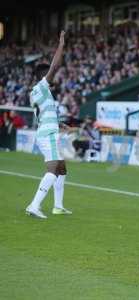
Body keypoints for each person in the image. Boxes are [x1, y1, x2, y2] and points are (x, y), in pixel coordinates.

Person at [25, 31, 72, 219]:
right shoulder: (42, 86)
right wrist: (61, 44)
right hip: (48, 135)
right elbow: (56, 65)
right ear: (44, 76)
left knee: (61, 169)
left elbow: (44, 115)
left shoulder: (36, 93)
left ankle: (58, 206)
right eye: (49, 73)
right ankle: (34, 205)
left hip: (47, 131)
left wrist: (60, 124)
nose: (52, 75)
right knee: (53, 170)